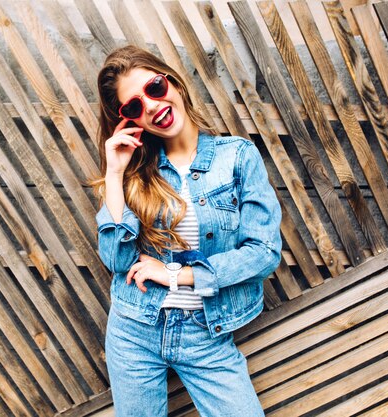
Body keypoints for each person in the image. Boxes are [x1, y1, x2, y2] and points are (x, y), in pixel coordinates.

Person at [90, 45, 282, 417]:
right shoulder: (135, 172)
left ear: (174, 83)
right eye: (133, 107)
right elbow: (117, 260)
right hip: (134, 329)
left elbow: (263, 252)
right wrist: (114, 173)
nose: (150, 106)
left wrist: (177, 274)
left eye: (155, 88)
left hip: (205, 333)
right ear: (129, 121)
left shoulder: (237, 157)